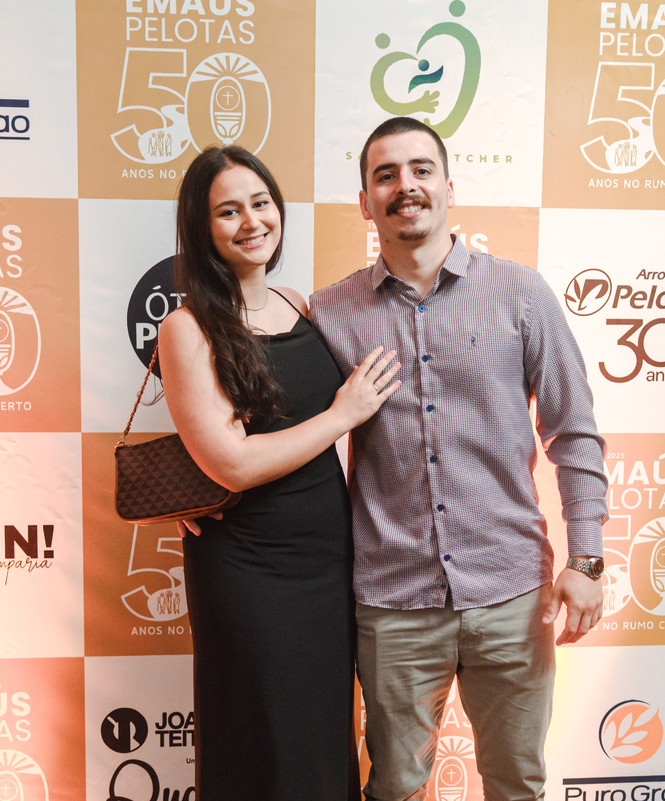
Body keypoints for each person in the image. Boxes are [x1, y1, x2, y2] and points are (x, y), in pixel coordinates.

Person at [309, 117, 609, 801]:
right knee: (395, 787)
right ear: (365, 202)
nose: (405, 185)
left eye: (421, 170)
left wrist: (588, 558)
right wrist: (219, 493)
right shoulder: (329, 314)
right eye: (385, 175)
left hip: (511, 593)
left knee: (517, 784)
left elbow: (573, 431)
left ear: (450, 188)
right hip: (392, 602)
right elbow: (282, 429)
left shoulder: (522, 294)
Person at [157, 145, 401, 801]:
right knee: (262, 739)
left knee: (320, 736)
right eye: (228, 211)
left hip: (328, 561)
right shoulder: (187, 327)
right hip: (247, 567)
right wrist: (342, 415)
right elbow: (231, 461)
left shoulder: (299, 305)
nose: (251, 222)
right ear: (201, 228)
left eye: (260, 203)